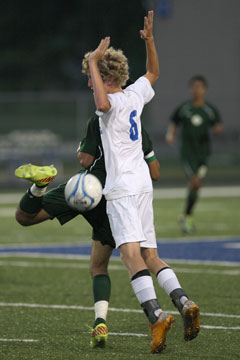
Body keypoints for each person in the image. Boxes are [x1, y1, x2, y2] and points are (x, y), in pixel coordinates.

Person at [83, 10, 199, 354]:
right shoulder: (135, 95)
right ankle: (183, 301)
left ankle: (156, 316)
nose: (89, 81)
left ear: (103, 76)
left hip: (120, 187)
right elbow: (154, 72)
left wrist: (93, 60)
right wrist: (150, 42)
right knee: (151, 254)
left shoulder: (111, 103)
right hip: (143, 186)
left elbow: (102, 102)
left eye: (92, 76)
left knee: (132, 257)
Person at [14, 114, 160, 348]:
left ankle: (39, 186)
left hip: (85, 185)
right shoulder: (137, 125)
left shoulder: (99, 118)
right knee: (120, 261)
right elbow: (154, 171)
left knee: (25, 217)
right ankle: (105, 320)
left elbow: (84, 158)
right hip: (114, 197)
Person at [166, 75, 223, 234]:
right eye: (194, 87)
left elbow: (218, 125)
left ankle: (186, 216)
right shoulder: (184, 108)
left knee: (196, 186)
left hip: (204, 153)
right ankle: (187, 216)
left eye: (200, 87)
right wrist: (171, 135)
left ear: (204, 90)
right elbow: (174, 121)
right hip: (188, 153)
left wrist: (217, 130)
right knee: (195, 182)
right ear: (190, 89)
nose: (197, 90)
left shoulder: (209, 109)